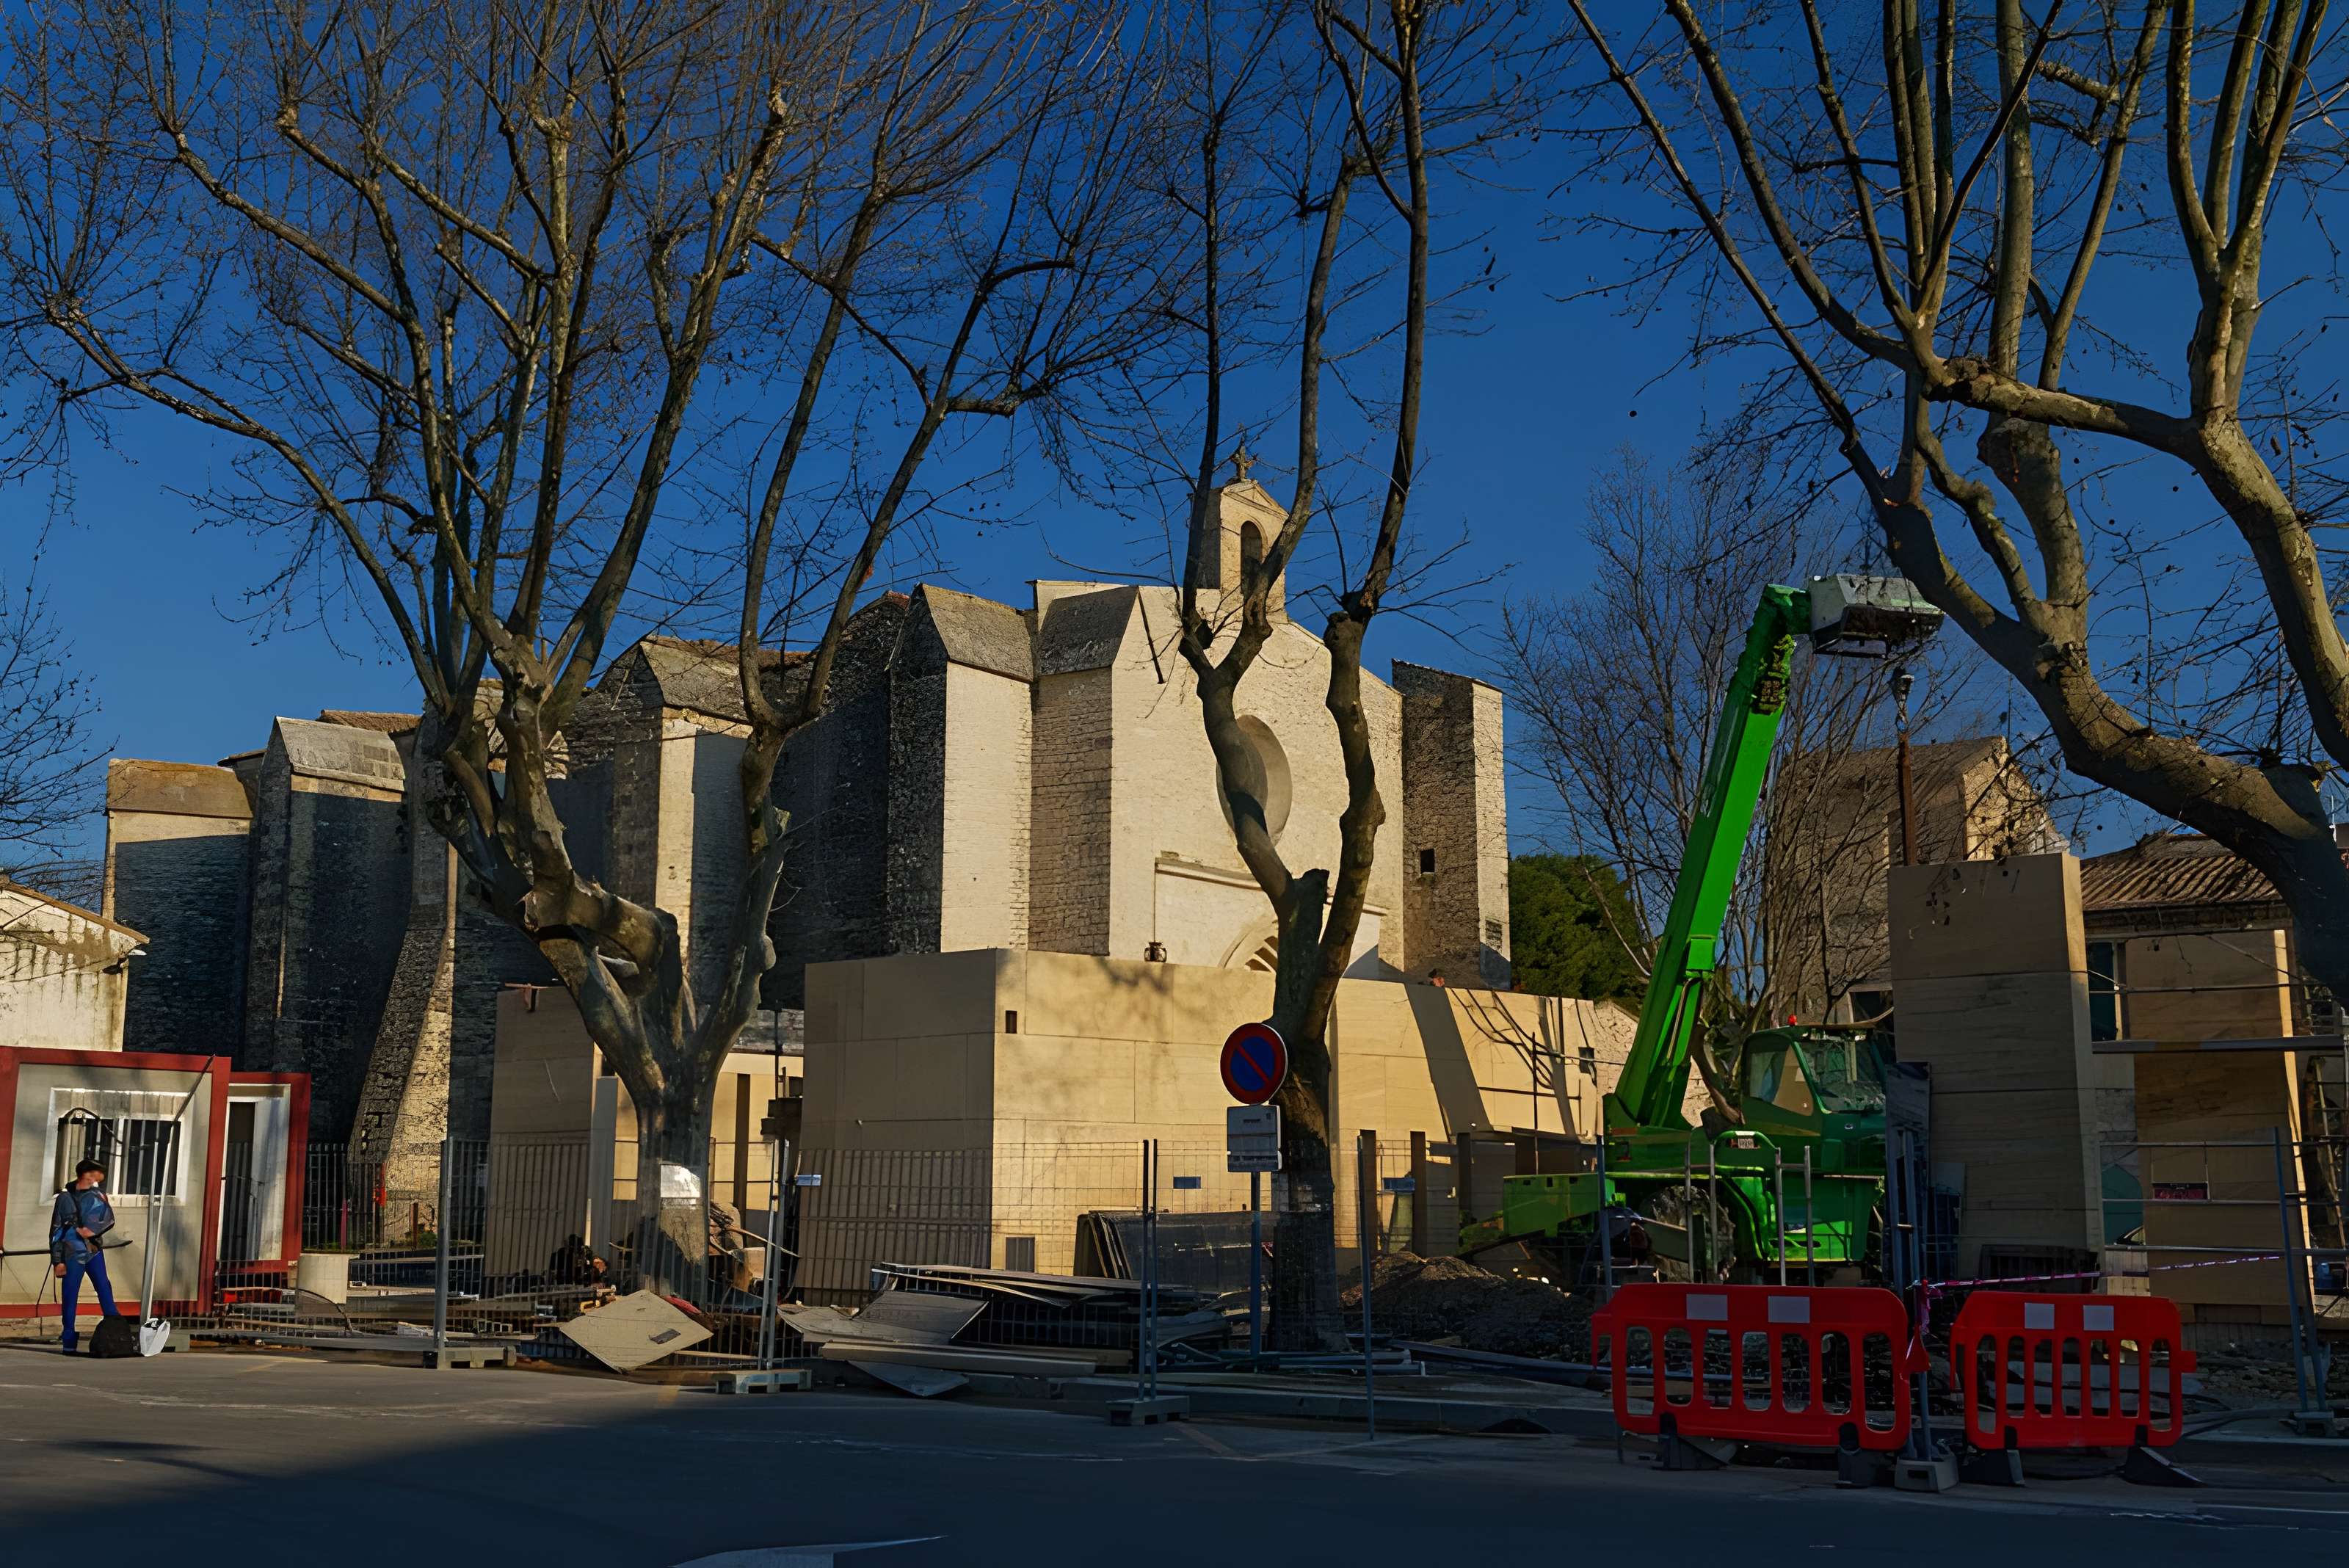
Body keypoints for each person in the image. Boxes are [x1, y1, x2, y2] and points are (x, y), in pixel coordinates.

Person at [50, 1160, 117, 1354]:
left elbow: (109, 1218)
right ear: (87, 1174)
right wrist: (58, 1261)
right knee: (70, 1294)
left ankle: (115, 1330)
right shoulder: (64, 1198)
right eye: (97, 1173)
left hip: (93, 1250)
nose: (100, 1177)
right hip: (71, 1252)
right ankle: (69, 1337)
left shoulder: (98, 1195)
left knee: (104, 1287)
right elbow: (56, 1231)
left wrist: (92, 1230)